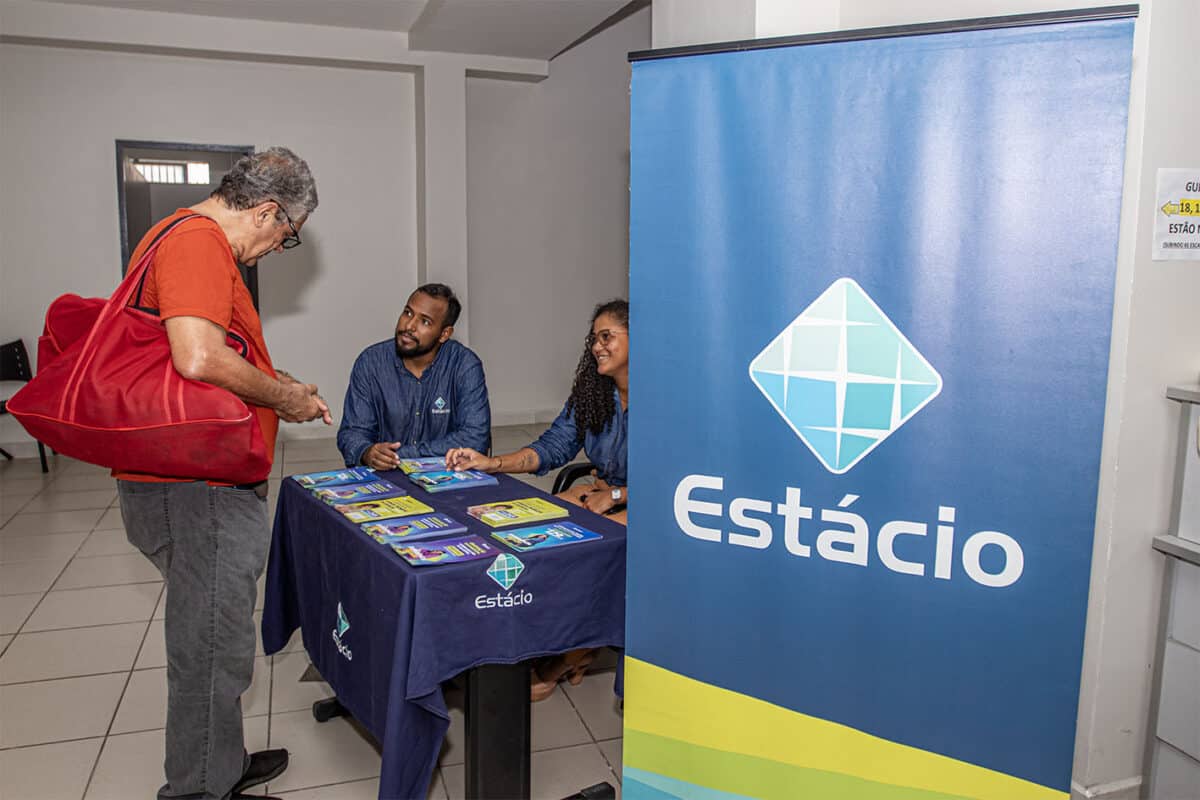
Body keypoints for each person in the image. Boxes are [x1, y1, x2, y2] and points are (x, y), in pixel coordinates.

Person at [115, 148, 329, 800]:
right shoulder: (200, 243)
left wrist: (275, 383)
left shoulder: (173, 233)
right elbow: (199, 357)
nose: (273, 248)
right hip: (199, 489)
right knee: (210, 651)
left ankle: (221, 764)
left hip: (186, 480)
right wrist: (284, 399)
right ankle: (198, 791)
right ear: (268, 210)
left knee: (215, 636)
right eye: (285, 235)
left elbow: (216, 353)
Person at [446, 298, 630, 700]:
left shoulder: (669, 400)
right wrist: (490, 463)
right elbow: (550, 449)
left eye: (607, 337)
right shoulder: (593, 393)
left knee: (585, 550)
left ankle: (568, 654)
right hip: (604, 492)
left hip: (654, 505)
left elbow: (679, 475)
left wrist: (618, 494)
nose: (597, 346)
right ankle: (548, 640)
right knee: (533, 536)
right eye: (593, 339)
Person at [337, 284, 490, 470]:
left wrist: (399, 456)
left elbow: (474, 438)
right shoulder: (371, 363)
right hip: (384, 479)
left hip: (446, 479)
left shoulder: (464, 366)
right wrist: (367, 452)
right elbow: (352, 432)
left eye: (425, 322)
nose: (409, 326)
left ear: (444, 334)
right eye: (408, 313)